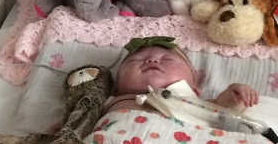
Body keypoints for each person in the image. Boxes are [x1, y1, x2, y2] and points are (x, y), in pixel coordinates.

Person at [108, 36, 260, 113]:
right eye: (136, 60)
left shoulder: (195, 103)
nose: (151, 60)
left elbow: (224, 114)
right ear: (117, 86)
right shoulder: (109, 102)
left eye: (167, 59)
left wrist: (235, 95)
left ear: (194, 88)